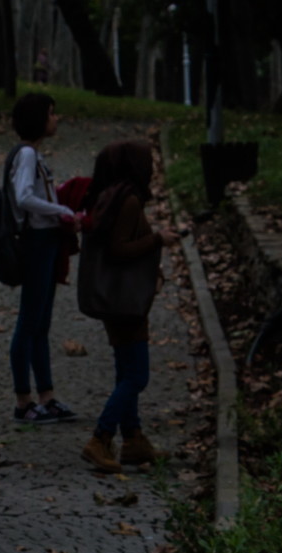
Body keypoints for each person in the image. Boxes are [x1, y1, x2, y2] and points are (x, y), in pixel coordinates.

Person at [77, 140, 179, 473]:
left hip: (117, 299)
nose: (152, 167)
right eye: (147, 162)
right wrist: (158, 240)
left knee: (126, 370)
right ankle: (101, 438)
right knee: (136, 376)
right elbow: (119, 250)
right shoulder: (128, 200)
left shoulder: (110, 195)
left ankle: (133, 440)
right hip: (125, 300)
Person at [7, 92, 82, 425]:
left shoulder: (33, 155)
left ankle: (46, 397)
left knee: (41, 323)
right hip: (37, 242)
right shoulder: (26, 154)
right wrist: (62, 210)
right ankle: (24, 401)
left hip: (47, 242)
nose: (56, 119)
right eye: (52, 114)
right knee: (29, 322)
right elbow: (24, 197)